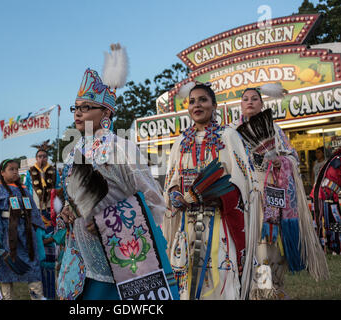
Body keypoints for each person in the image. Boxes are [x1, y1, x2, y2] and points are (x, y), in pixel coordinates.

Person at [56, 44, 175, 300]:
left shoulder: (123, 148)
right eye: (75, 107)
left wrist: (107, 222)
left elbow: (154, 203)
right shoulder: (74, 151)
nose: (78, 112)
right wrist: (68, 209)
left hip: (121, 262)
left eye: (87, 107)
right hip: (80, 262)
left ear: (107, 112)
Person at [163, 81, 257, 300]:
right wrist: (176, 194)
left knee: (222, 280)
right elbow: (172, 180)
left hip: (220, 223)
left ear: (214, 105)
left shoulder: (229, 136)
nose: (197, 105)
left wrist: (221, 195)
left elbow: (244, 180)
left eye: (203, 100)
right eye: (192, 101)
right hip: (187, 226)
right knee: (187, 281)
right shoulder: (180, 142)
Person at [234, 86, 329, 300]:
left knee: (267, 246)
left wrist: (281, 162)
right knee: (246, 245)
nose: (249, 102)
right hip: (243, 198)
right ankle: (251, 290)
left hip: (270, 197)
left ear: (262, 104)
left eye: (255, 99)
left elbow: (293, 158)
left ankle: (269, 290)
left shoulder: (275, 130)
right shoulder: (232, 132)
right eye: (245, 99)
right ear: (241, 105)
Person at [0, 159, 45, 300]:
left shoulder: (24, 190)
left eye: (17, 169)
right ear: (2, 173)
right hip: (6, 238)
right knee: (5, 274)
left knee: (33, 271)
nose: (15, 171)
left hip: (27, 238)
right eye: (11, 169)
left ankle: (37, 297)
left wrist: (36, 233)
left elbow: (34, 213)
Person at [25, 141, 61, 300]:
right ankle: (38, 294)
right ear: (35, 158)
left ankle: (51, 294)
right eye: (39, 156)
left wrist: (59, 211)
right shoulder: (30, 173)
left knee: (51, 257)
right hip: (36, 216)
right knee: (38, 255)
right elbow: (26, 192)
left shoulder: (54, 172)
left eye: (44, 156)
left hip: (51, 215)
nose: (42, 159)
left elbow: (60, 191)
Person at [311, 147, 341, 255]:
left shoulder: (334, 161)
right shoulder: (336, 161)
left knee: (334, 221)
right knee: (324, 222)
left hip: (327, 195)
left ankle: (333, 246)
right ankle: (325, 247)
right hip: (321, 194)